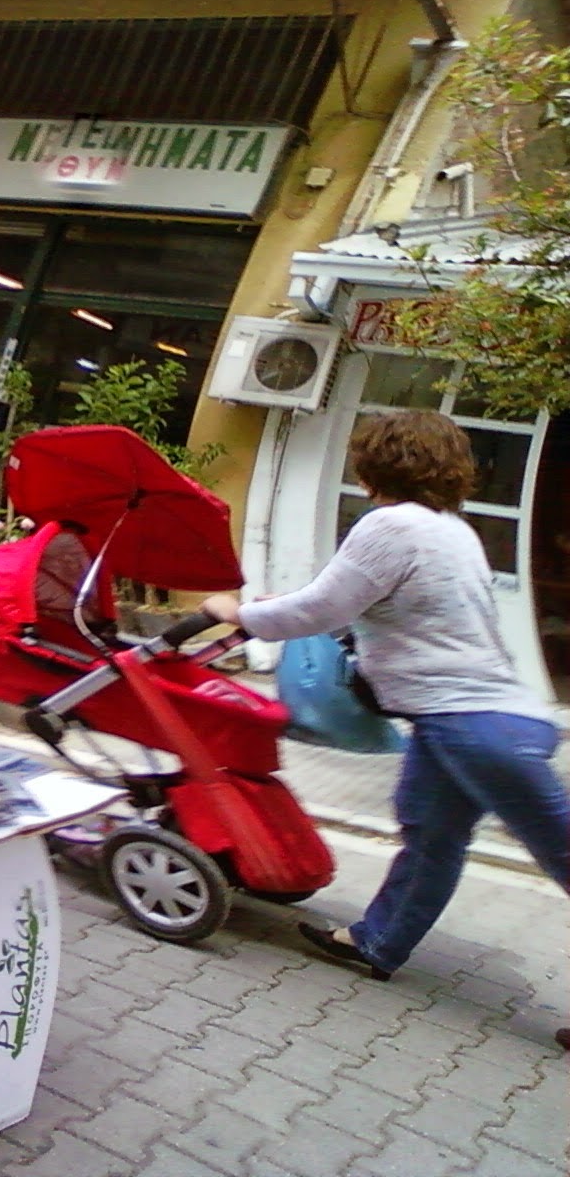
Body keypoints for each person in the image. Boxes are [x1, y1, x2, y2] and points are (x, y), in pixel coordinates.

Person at [201, 410, 570, 998]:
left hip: (474, 724)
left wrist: (237, 612)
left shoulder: (392, 525)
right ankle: (378, 941)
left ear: (377, 463)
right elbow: (363, 606)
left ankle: (381, 939)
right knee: (430, 833)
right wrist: (293, 605)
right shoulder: (451, 529)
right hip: (473, 719)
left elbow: (318, 611)